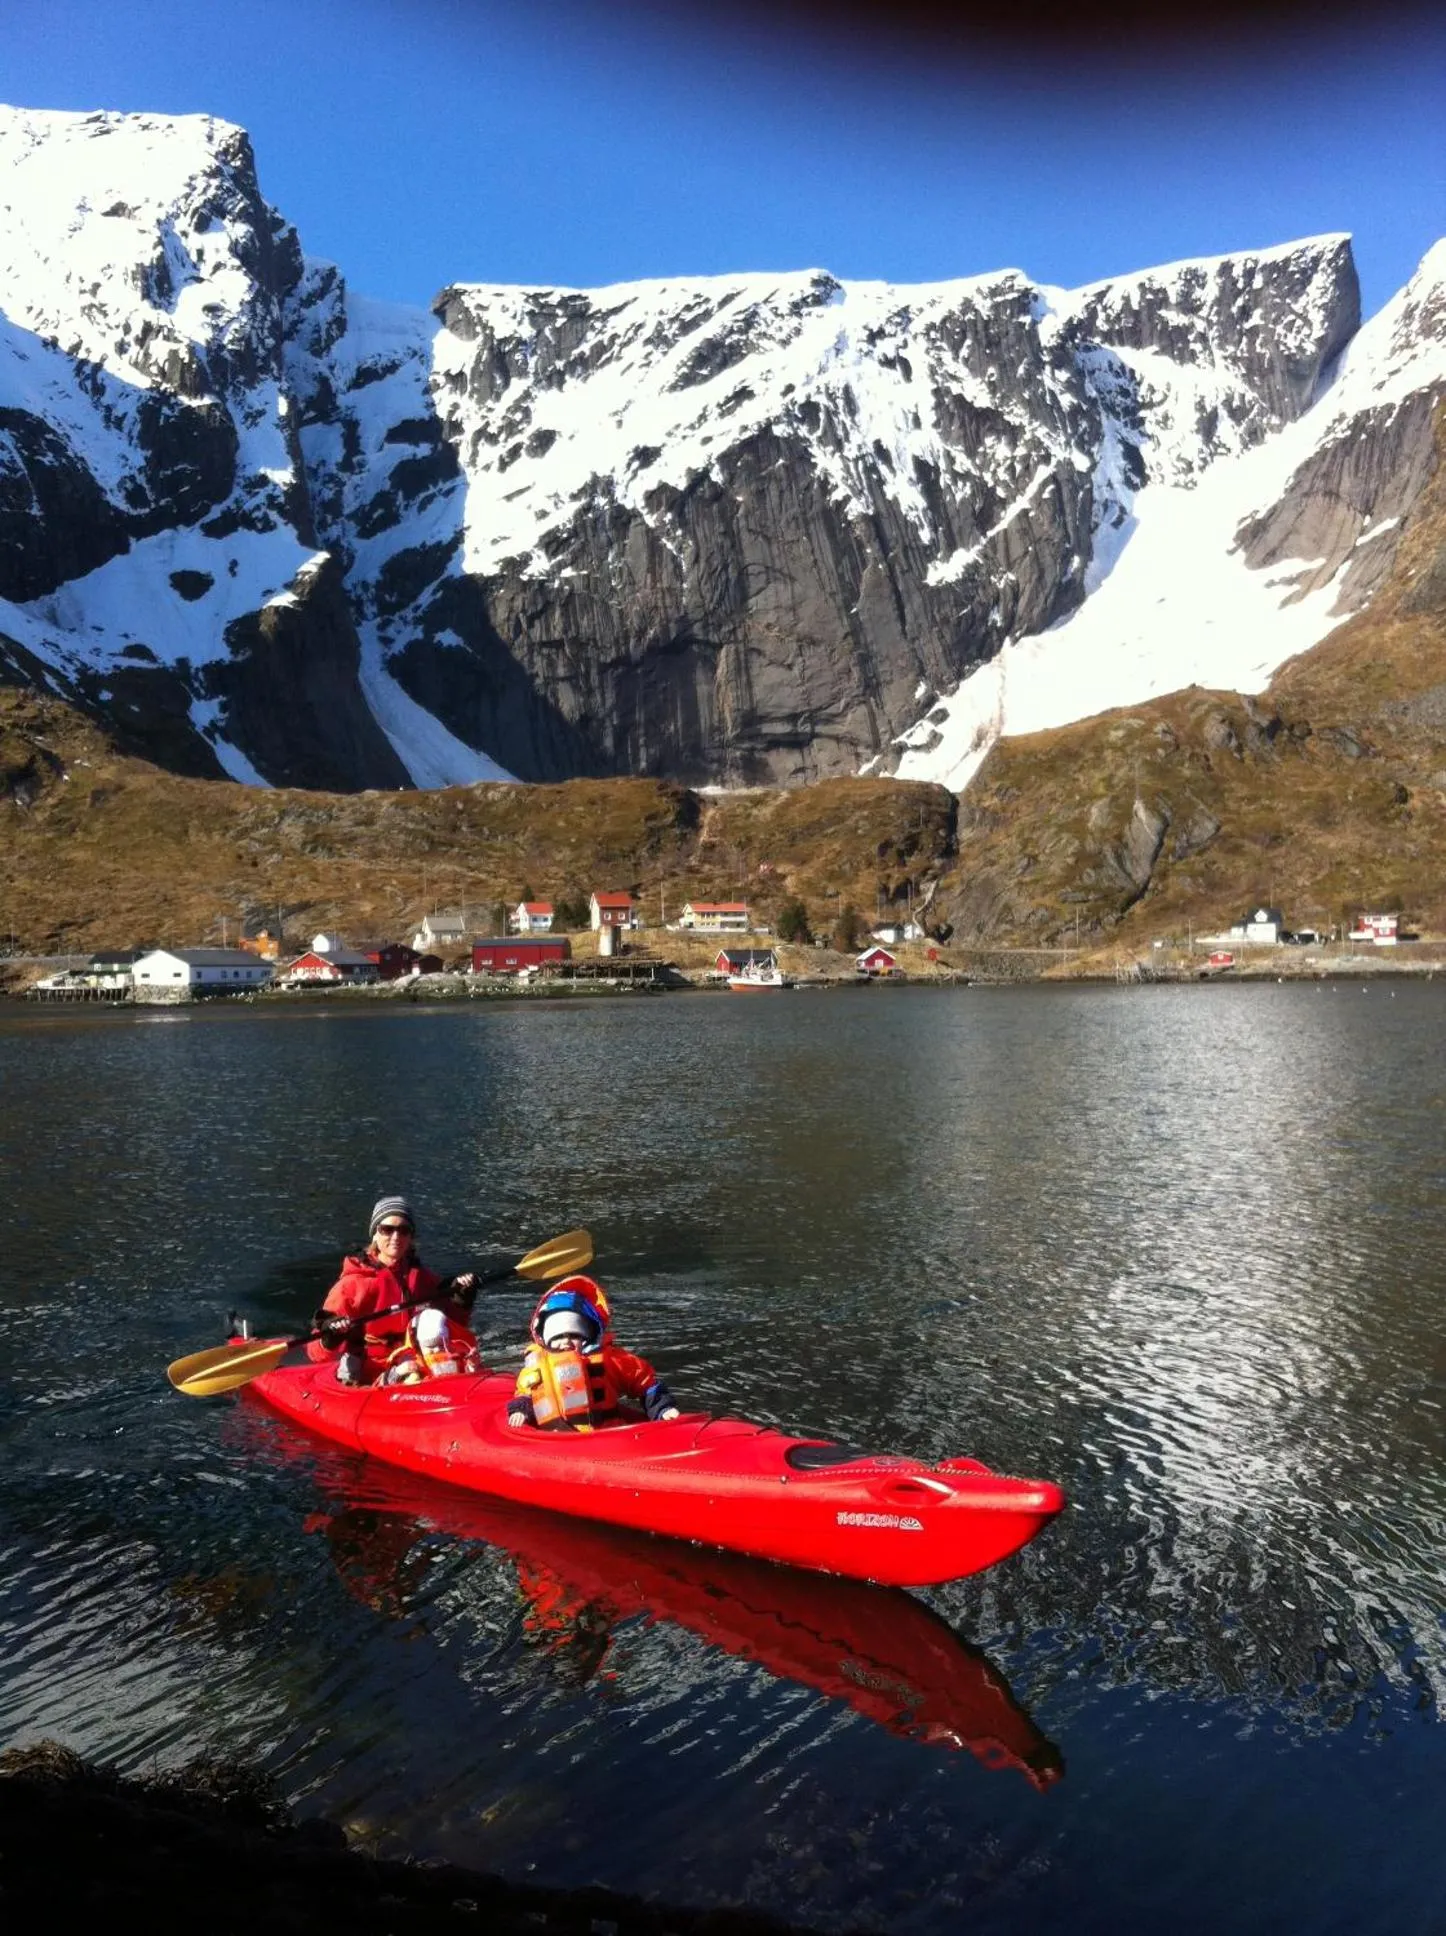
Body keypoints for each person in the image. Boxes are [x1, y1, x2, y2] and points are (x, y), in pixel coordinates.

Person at [312, 1196, 479, 1385]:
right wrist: (332, 1333)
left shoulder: (422, 1277)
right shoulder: (352, 1284)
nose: (396, 1237)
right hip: (369, 1370)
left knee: (432, 1320)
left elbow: (454, 1325)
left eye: (403, 1230)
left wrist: (462, 1296)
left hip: (412, 1361)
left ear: (411, 1237)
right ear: (375, 1234)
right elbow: (316, 1353)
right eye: (387, 1229)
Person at [508, 1275, 680, 1431]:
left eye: (574, 1335)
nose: (566, 1342)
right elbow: (525, 1392)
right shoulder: (538, 1363)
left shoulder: (611, 1358)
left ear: (588, 1335)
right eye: (558, 1336)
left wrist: (663, 1409)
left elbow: (646, 1383)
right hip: (555, 1437)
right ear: (545, 1338)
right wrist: (521, 1411)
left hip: (606, 1434)